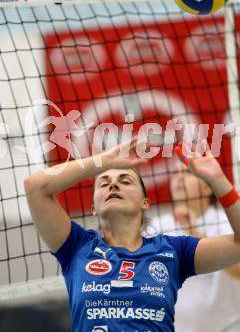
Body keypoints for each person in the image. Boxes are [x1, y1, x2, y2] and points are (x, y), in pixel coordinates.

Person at [24, 137, 240, 332]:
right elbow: (35, 187)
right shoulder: (76, 247)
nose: (114, 184)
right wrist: (104, 160)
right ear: (93, 208)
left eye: (125, 181)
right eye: (104, 183)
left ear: (144, 203)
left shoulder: (173, 250)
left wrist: (218, 180)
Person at [149, 159, 240, 332]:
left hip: (228, 327)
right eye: (175, 174)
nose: (179, 179)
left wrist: (194, 231)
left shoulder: (227, 222)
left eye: (188, 173)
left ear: (207, 187)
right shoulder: (156, 227)